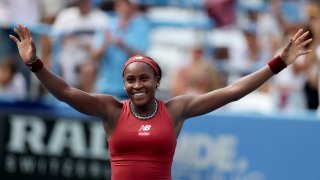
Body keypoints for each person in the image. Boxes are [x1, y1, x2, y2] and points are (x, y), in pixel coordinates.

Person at [10, 23, 311, 179]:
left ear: (157, 82)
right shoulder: (111, 110)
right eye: (130, 80)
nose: (137, 85)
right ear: (124, 83)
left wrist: (279, 63)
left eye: (144, 78)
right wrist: (35, 63)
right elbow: (65, 91)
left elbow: (232, 91)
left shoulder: (176, 110)